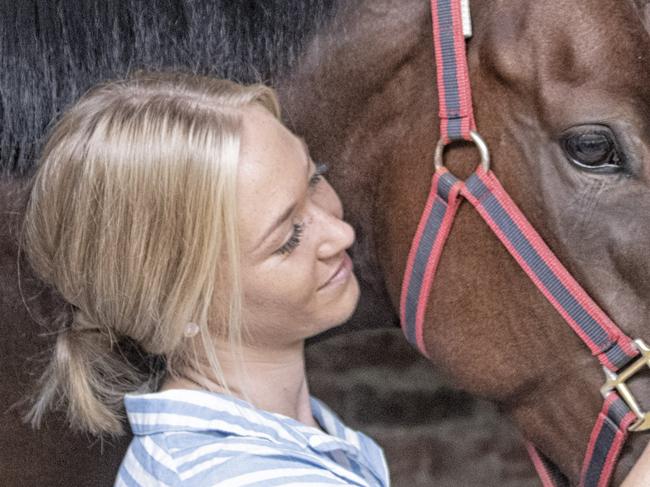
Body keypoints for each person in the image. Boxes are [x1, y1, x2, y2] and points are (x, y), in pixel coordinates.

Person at [20, 71, 390, 486]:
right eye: (288, 238)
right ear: (179, 302)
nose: (342, 234)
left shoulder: (202, 453)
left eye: (315, 178)